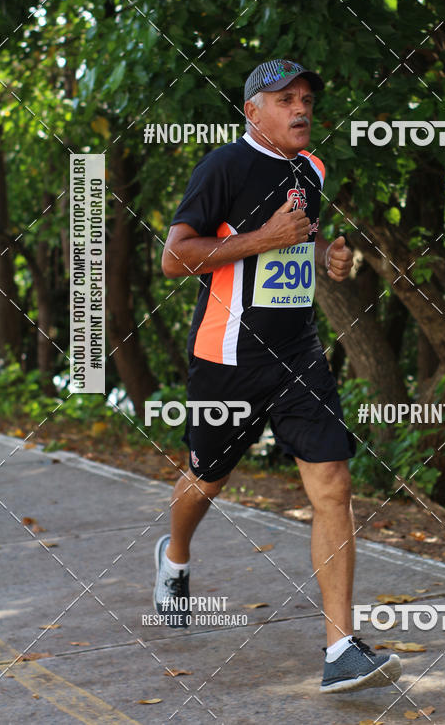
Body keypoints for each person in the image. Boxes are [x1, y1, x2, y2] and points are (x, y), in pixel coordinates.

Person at [154, 59, 402, 693]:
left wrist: (328, 255)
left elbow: (300, 243)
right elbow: (175, 258)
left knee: (334, 486)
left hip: (299, 356)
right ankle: (174, 557)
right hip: (227, 359)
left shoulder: (312, 169)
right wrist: (263, 237)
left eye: (308, 99)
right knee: (206, 481)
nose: (301, 109)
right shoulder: (223, 169)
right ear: (252, 111)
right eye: (285, 99)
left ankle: (341, 648)